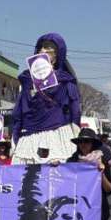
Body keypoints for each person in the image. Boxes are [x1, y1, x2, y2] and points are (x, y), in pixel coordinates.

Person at [12, 33, 81, 164]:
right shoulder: (27, 79)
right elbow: (19, 111)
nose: (44, 50)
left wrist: (76, 137)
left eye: (49, 47)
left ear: (58, 53)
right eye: (42, 47)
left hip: (57, 135)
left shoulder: (66, 81)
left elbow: (75, 111)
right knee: (27, 179)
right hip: (29, 138)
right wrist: (15, 137)